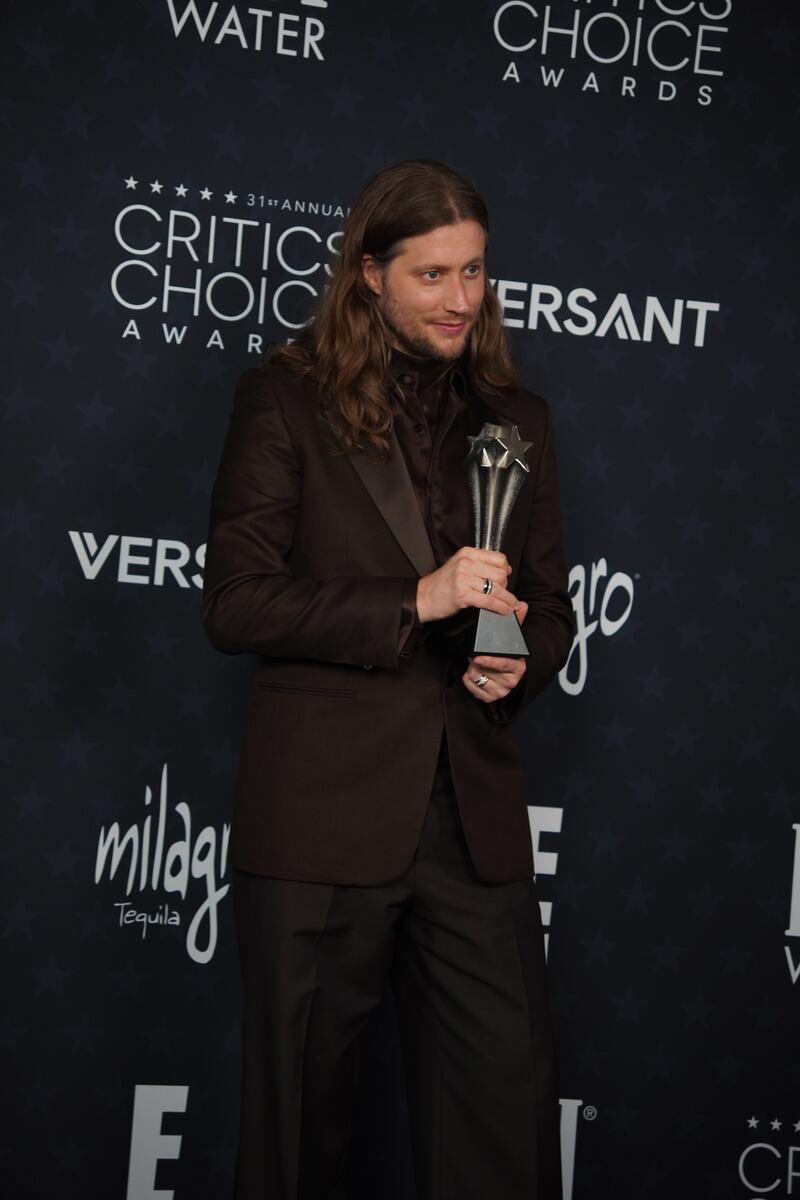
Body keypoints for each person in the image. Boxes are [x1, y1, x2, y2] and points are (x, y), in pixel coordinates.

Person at [202, 159, 575, 1200]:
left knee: (500, 1141)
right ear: (369, 274)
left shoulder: (518, 420)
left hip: (474, 825)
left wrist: (520, 656)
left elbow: (547, 607)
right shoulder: (283, 400)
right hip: (322, 820)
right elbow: (234, 601)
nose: (461, 299)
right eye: (431, 276)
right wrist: (417, 600)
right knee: (296, 1144)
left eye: (475, 273)